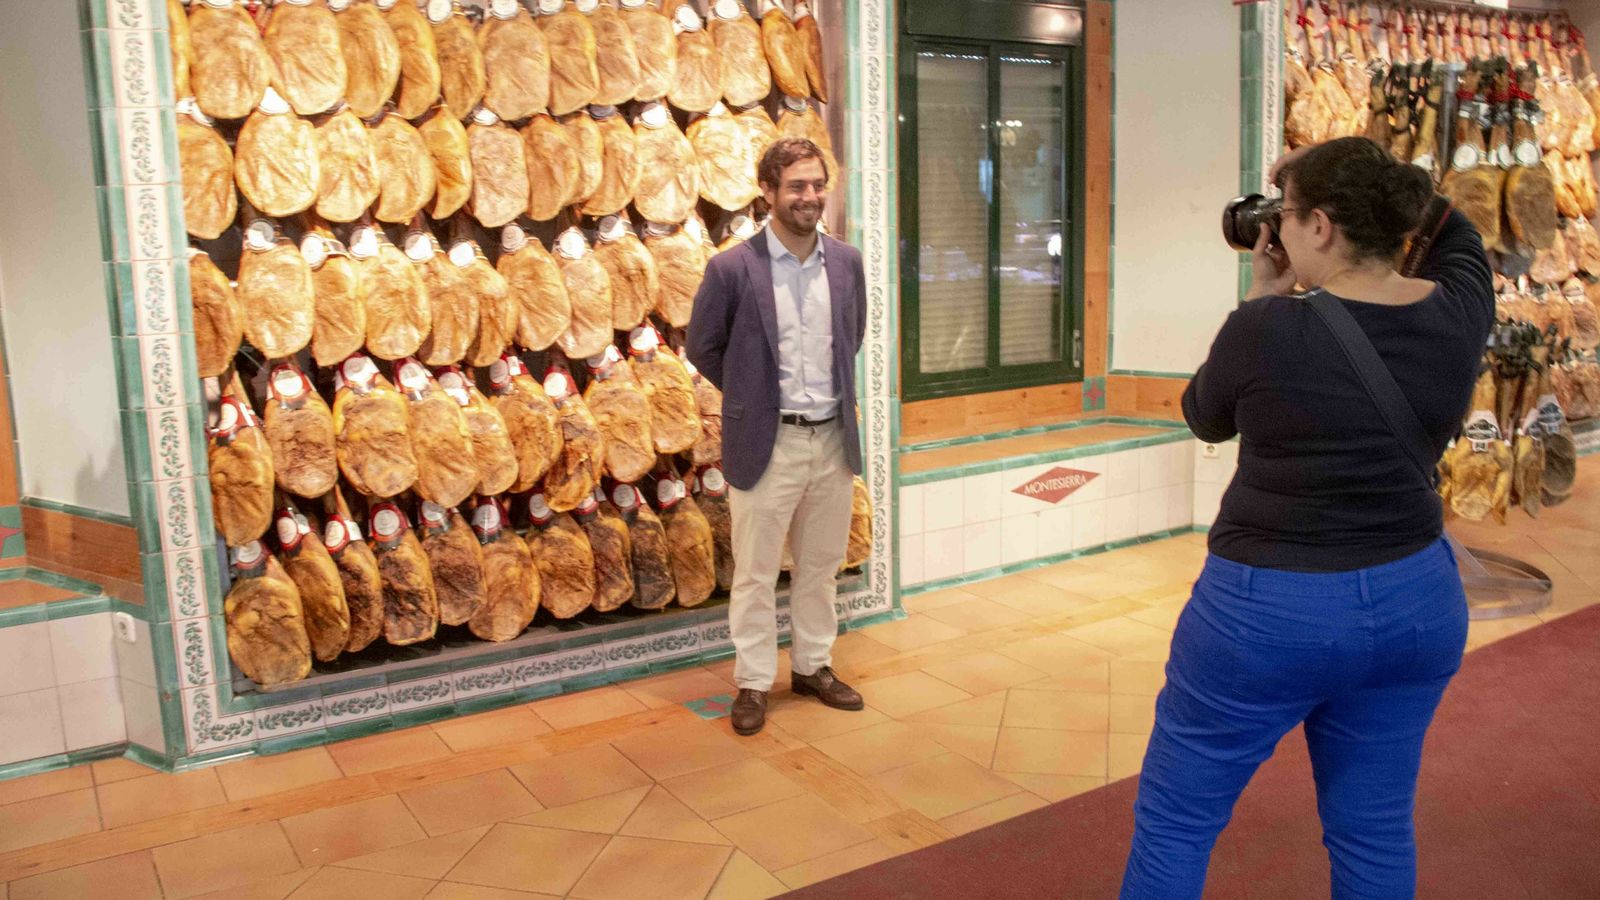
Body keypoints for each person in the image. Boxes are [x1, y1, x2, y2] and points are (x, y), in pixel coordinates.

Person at [1121, 137, 1494, 899]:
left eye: (1286, 215)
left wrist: (1262, 294)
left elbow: (1204, 416)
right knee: (1375, 823)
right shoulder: (1460, 310)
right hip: (1415, 600)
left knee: (1178, 821)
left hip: (1268, 611)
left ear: (1320, 227)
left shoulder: (1267, 328)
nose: (1277, 231)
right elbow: (1458, 230)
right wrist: (1355, 174)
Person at [686, 137, 869, 737]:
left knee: (819, 567)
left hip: (832, 440)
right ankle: (754, 681)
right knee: (757, 572)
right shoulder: (732, 269)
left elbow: (853, 335)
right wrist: (751, 396)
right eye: (796, 186)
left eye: (817, 185)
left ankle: (813, 665)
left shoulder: (845, 263)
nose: (809, 197)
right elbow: (702, 347)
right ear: (767, 193)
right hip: (768, 443)